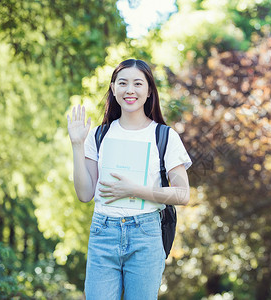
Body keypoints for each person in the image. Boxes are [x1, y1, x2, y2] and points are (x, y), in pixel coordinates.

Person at [67, 59, 192, 299]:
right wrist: (77, 145)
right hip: (103, 232)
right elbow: (84, 194)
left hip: (145, 234)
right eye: (122, 83)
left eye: (138, 83)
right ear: (113, 89)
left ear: (149, 91)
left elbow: (182, 194)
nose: (130, 90)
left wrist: (135, 190)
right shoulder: (99, 135)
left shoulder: (164, 136)